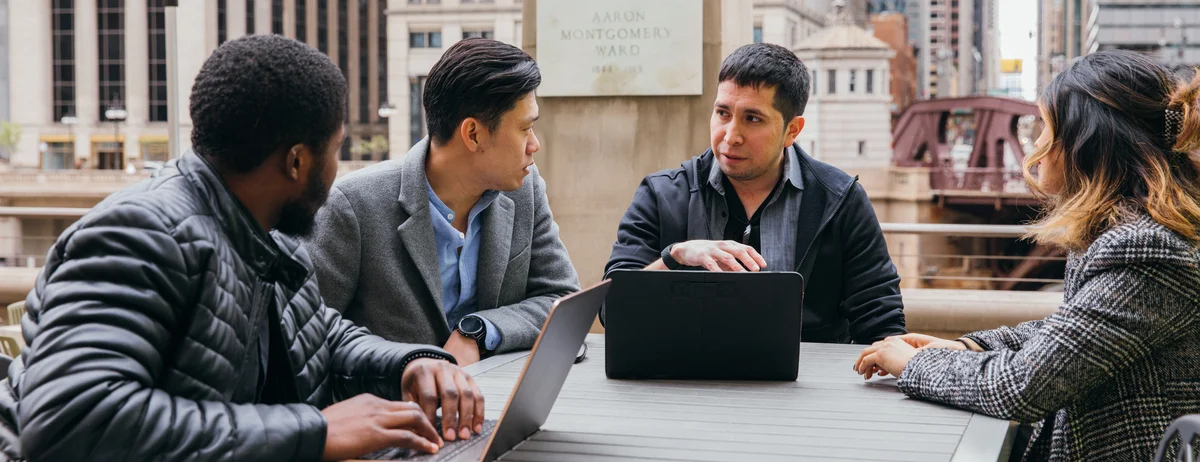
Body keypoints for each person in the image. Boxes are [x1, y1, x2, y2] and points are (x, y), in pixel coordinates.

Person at [0, 35, 485, 461]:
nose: (340, 168)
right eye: (336, 150)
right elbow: (70, 422)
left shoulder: (267, 233)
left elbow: (318, 334)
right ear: (297, 162)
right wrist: (315, 432)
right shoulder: (141, 233)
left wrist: (408, 364)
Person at [854, 50, 1200, 461]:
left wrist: (911, 365)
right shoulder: (1131, 233)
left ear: (1087, 143)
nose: (1035, 144)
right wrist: (970, 348)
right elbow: (1073, 331)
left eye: (1044, 127)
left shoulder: (1146, 249)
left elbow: (1021, 388)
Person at [603, 43, 905, 344]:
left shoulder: (840, 201)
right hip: (685, 381)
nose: (730, 136)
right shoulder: (662, 194)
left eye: (752, 118)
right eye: (723, 113)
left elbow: (882, 324)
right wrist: (674, 258)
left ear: (792, 131)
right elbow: (610, 309)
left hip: (804, 385)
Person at [303, 39, 579, 367]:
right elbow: (308, 330)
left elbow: (563, 300)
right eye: (525, 128)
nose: (534, 145)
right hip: (395, 410)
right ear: (473, 134)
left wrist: (479, 331)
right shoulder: (353, 206)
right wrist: (408, 365)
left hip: (499, 404)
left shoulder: (524, 190)